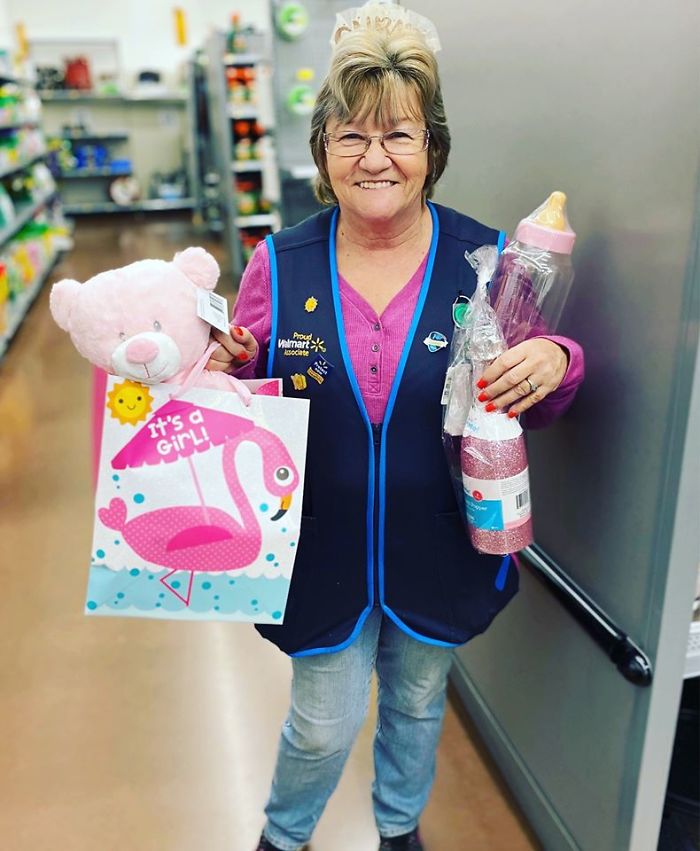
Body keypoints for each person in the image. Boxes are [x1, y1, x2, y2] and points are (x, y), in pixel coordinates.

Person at [208, 7, 584, 850]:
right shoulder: (281, 262)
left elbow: (536, 398)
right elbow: (240, 392)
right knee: (322, 724)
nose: (375, 157)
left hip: (439, 541)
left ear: (431, 151)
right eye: (351, 136)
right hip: (318, 548)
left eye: (399, 135)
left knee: (417, 707)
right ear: (323, 153)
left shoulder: (485, 261)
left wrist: (557, 358)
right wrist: (226, 363)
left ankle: (398, 827)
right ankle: (284, 833)